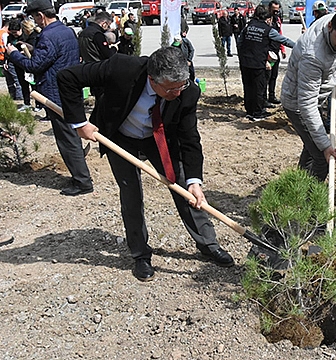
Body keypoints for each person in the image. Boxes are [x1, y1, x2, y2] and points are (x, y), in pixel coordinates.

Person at [57, 47, 235, 282]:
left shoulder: (187, 92)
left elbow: (190, 137)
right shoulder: (121, 68)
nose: (178, 92)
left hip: (159, 138)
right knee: (131, 194)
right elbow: (67, 77)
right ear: (153, 79)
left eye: (181, 85)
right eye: (172, 88)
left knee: (184, 187)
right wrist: (79, 122)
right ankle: (140, 255)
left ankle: (208, 244)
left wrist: (195, 180)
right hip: (120, 136)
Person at [7, 0, 93, 197]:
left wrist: (13, 54)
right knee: (72, 133)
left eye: (34, 17)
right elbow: (55, 57)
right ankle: (80, 174)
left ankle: (82, 181)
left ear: (41, 16)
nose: (34, 21)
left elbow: (35, 66)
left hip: (56, 94)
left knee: (67, 138)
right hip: (71, 89)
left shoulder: (48, 36)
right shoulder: (66, 31)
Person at [281, 8, 336, 181]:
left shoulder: (335, 20)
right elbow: (306, 105)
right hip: (298, 105)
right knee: (322, 157)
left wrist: (334, 71)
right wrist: (325, 146)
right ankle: (310, 203)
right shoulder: (313, 56)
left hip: (315, 96)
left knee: (311, 149)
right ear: (330, 26)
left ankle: (297, 187)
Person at [238, 5, 295, 122]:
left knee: (248, 87)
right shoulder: (268, 30)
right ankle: (258, 113)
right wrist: (299, 46)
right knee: (259, 88)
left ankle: (249, 111)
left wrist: (242, 56)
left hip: (245, 63)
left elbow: (240, 42)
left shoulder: (248, 27)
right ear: (267, 18)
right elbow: (283, 40)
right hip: (258, 63)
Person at [265, 0, 285, 105]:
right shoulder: (266, 19)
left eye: (277, 10)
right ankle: (263, 98)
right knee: (266, 76)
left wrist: (282, 49)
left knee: (274, 75)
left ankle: (271, 96)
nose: (276, 12)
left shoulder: (277, 19)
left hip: (275, 51)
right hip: (267, 52)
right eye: (274, 10)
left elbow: (280, 34)